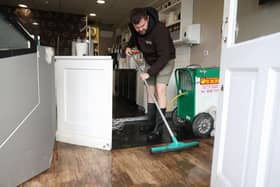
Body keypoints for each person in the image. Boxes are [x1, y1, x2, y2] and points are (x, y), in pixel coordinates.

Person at [125, 7, 176, 141]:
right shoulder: (136, 30)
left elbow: (164, 57)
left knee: (160, 90)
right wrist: (129, 47)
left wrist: (149, 73)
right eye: (137, 27)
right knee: (150, 91)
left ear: (147, 19)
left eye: (143, 26)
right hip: (150, 61)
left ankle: (158, 130)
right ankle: (150, 124)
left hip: (166, 60)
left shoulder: (160, 30)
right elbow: (134, 39)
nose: (141, 29)